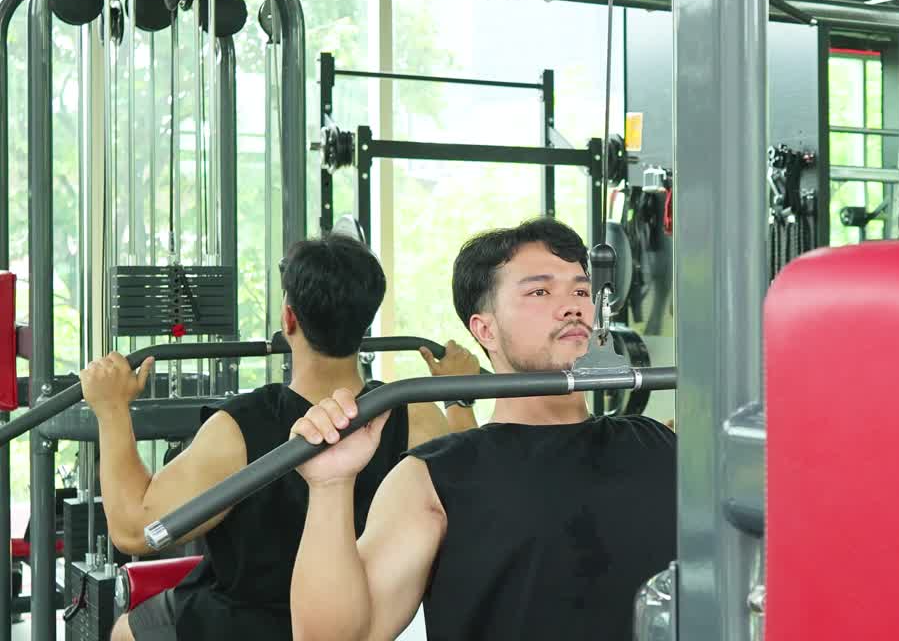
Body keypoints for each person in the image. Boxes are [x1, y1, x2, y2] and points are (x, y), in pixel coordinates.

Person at [288, 217, 677, 641]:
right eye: (540, 291)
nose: (574, 307)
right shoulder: (434, 478)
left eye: (581, 290)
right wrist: (330, 486)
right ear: (485, 329)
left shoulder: (656, 443)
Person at [79, 234, 481, 641]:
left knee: (125, 631)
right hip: (360, 623)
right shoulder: (415, 413)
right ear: (364, 321)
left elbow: (134, 531)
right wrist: (460, 399)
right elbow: (470, 493)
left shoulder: (239, 426)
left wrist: (111, 409)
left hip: (238, 625)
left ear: (289, 319)